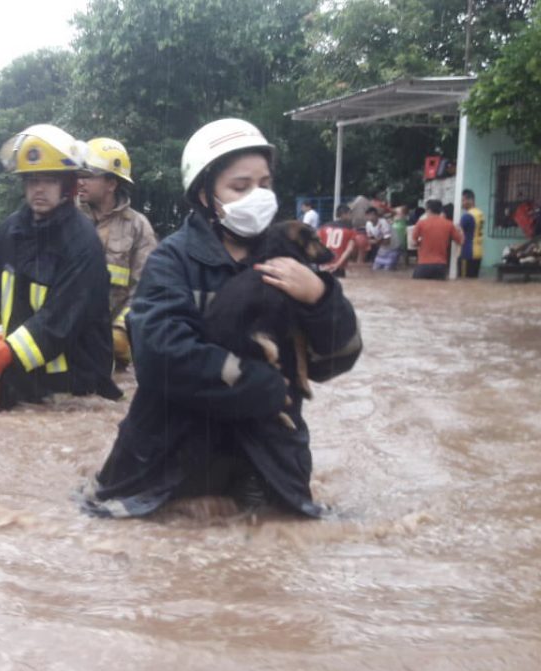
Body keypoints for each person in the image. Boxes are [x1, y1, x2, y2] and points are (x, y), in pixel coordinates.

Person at [79, 118, 361, 518]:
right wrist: (252, 382)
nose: (258, 196)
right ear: (205, 194)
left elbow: (336, 359)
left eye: (264, 185)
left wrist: (321, 299)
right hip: (166, 470)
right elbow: (159, 357)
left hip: (269, 469)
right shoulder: (172, 261)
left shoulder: (293, 263)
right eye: (240, 187)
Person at [0, 124, 121, 408]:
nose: (38, 189)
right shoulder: (11, 230)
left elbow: (60, 321)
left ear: (68, 185)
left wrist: (3, 355)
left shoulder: (83, 242)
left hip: (73, 388)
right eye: (31, 180)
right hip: (22, 380)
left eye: (48, 180)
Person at [78, 137, 158, 369]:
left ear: (111, 183)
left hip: (116, 350)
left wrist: (122, 329)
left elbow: (146, 288)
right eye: (78, 175)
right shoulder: (67, 219)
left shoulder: (138, 227)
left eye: (88, 175)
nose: (80, 182)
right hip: (67, 341)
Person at [411, 199, 463, 280]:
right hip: (440, 266)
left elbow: (413, 243)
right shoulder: (449, 224)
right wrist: (460, 230)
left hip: (423, 265)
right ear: (440, 210)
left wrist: (420, 243)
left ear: (428, 210)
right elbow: (461, 241)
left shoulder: (421, 223)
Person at [318, 205, 357, 277]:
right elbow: (349, 249)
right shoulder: (350, 230)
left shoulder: (324, 227)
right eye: (350, 214)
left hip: (323, 266)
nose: (351, 216)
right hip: (337, 268)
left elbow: (317, 245)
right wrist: (337, 264)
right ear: (344, 214)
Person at [459, 188, 484, 278]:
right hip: (479, 252)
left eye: (463, 200)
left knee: (463, 282)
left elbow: (459, 235)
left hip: (467, 252)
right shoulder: (480, 213)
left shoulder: (466, 216)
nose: (461, 203)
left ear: (470, 200)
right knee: (473, 280)